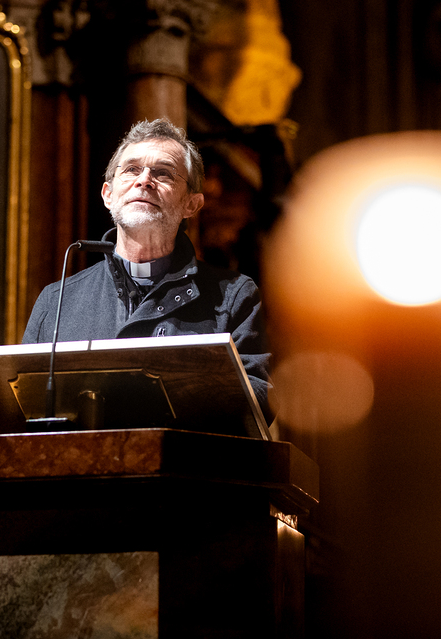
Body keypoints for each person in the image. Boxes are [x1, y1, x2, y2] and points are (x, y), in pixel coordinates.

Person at [22, 118, 273, 423]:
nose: (144, 180)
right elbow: (23, 405)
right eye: (131, 170)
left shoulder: (234, 295)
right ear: (108, 194)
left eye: (163, 173)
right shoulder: (57, 301)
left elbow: (259, 402)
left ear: (191, 204)